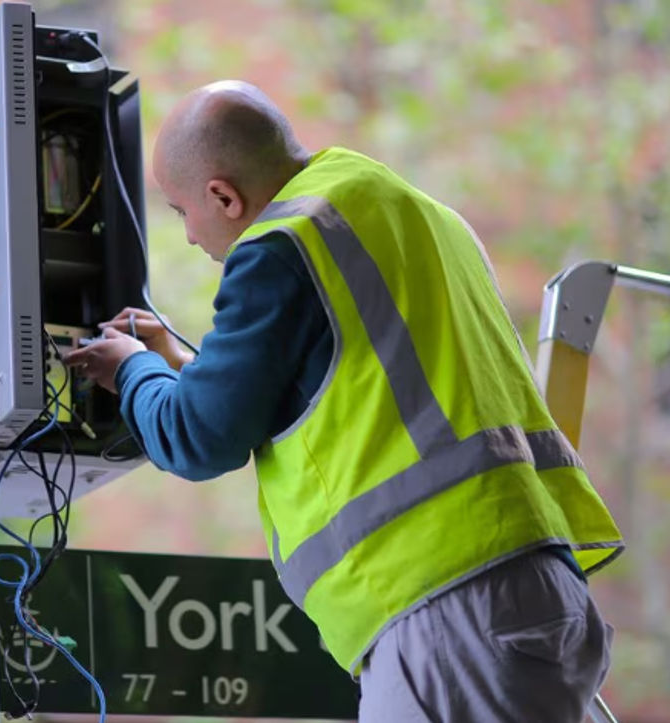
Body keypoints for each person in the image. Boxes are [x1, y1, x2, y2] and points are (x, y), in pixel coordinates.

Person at [65, 81, 623, 722]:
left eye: (181, 212)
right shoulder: (407, 212)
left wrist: (131, 370)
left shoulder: (282, 244)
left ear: (223, 196)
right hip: (535, 591)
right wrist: (182, 366)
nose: (190, 236)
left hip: (444, 605)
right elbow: (340, 384)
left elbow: (199, 437)